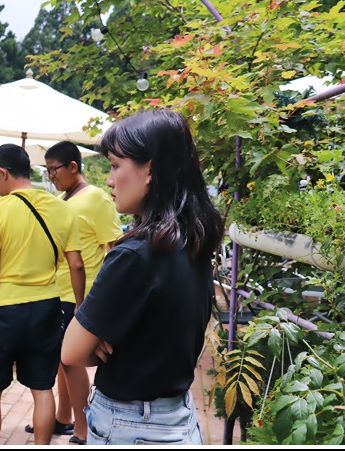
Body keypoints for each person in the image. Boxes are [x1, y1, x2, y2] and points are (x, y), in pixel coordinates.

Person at [61, 109, 224, 445]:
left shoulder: (134, 255)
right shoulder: (193, 242)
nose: (108, 179)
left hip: (129, 425)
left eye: (116, 165)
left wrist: (103, 339)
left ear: (148, 168)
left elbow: (72, 352)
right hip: (178, 420)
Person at [0, 144, 86, 445]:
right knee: (42, 389)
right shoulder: (61, 208)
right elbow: (76, 264)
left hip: (5, 312)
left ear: (3, 172)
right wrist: (80, 307)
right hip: (47, 308)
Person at [24, 140, 123, 444]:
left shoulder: (96, 198)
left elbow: (115, 248)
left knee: (72, 362)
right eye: (48, 170)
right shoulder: (64, 199)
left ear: (73, 167)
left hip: (84, 295)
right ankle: (62, 418)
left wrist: (104, 298)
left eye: (54, 170)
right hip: (61, 291)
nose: (51, 176)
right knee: (62, 361)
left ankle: (82, 429)